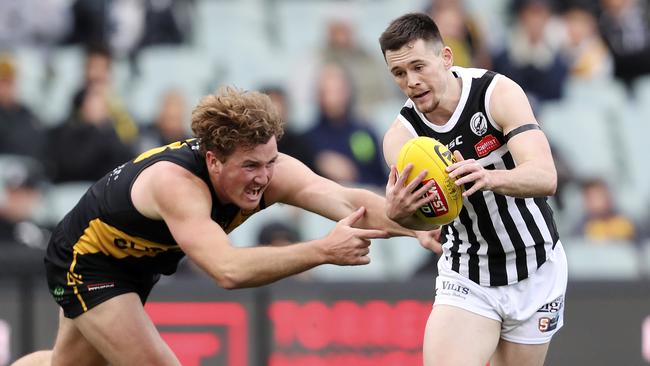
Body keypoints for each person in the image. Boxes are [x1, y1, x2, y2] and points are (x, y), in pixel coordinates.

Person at [11, 86, 434, 366]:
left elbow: (347, 200)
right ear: (214, 160)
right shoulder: (177, 186)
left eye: (269, 162)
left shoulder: (269, 169)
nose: (263, 178)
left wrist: (414, 226)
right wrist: (323, 250)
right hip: (88, 262)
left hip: (138, 264)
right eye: (250, 166)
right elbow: (227, 271)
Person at [378, 13, 567, 366]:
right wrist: (402, 215)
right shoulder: (402, 138)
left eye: (419, 66)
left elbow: (546, 176)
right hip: (469, 272)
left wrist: (489, 177)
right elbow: (425, 220)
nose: (411, 81)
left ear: (446, 58)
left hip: (536, 264)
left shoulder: (497, 93)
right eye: (400, 74)